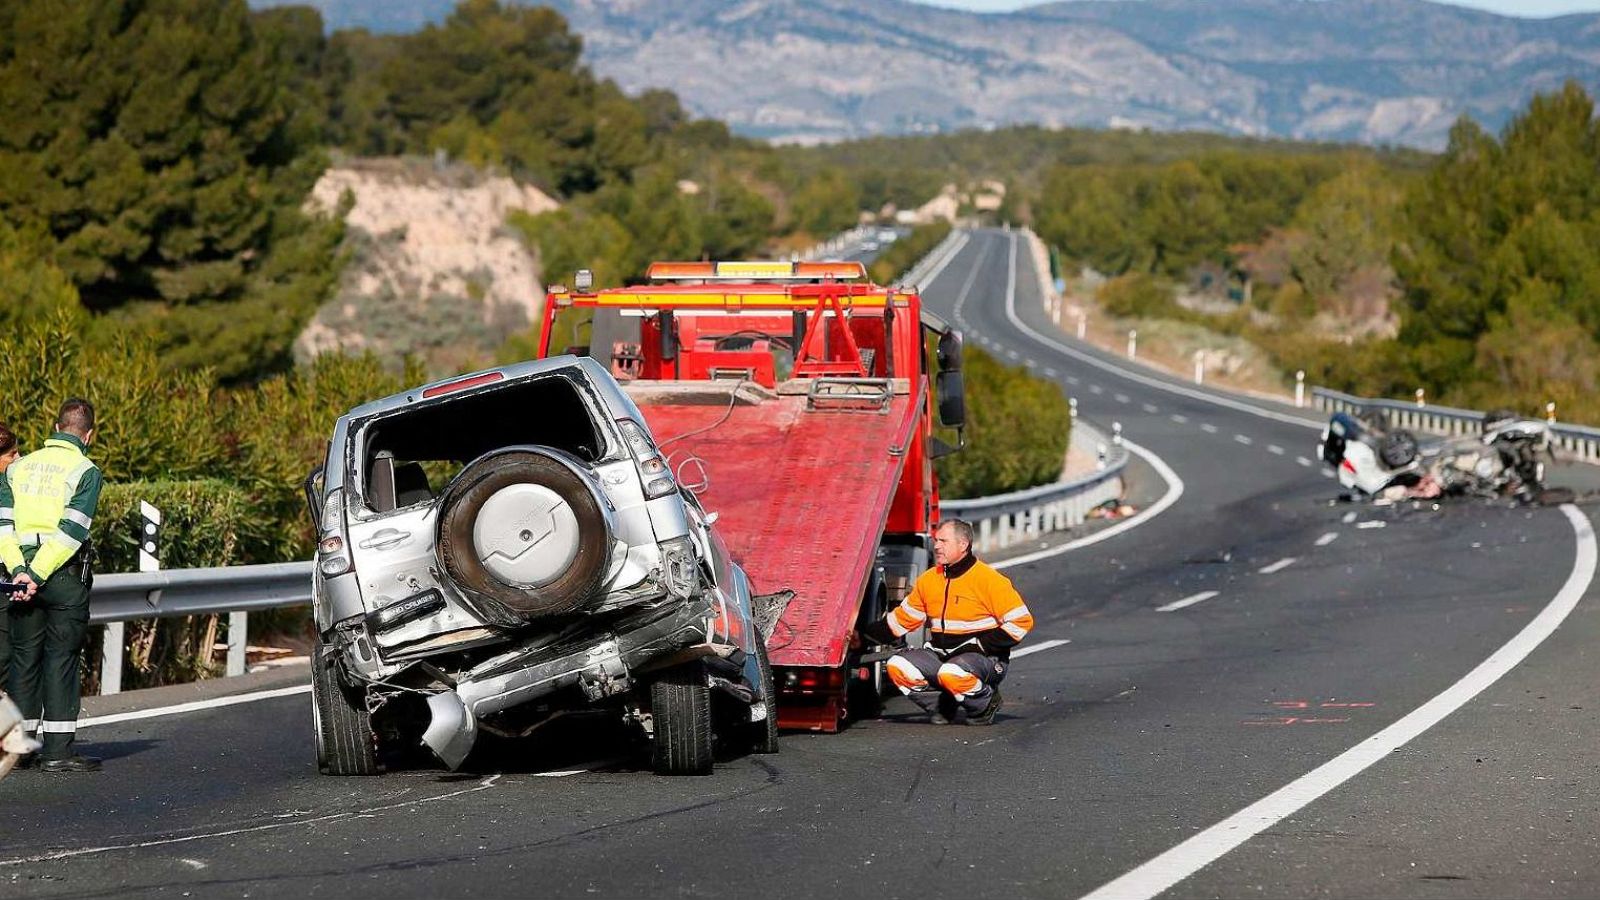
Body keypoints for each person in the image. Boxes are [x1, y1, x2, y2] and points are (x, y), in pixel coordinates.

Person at [1, 399, 103, 772]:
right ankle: (58, 751)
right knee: (61, 658)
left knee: (24, 657)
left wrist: (19, 572)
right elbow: (72, 531)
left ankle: (21, 748)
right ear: (88, 435)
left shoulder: (18, 467)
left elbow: (3, 527)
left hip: (20, 572)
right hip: (60, 574)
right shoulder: (86, 470)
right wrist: (39, 574)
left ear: (56, 426)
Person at [856, 519, 1033, 725]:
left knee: (952, 673)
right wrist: (863, 638)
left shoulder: (989, 579)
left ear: (963, 545)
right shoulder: (929, 580)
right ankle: (943, 705)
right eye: (936, 540)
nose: (936, 546)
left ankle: (985, 703)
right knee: (897, 666)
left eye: (943, 541)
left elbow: (1021, 622)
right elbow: (901, 620)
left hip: (985, 660)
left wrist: (980, 645)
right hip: (942, 657)